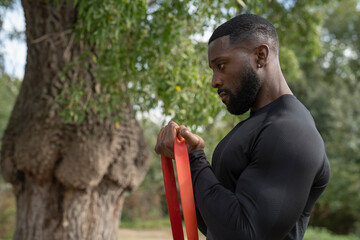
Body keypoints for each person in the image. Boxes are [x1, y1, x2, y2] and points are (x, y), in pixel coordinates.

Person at [155, 14, 330, 240]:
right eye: (213, 70)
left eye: (221, 65)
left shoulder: (291, 130)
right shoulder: (252, 128)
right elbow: (214, 224)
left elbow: (247, 233)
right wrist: (187, 161)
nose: (214, 81)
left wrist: (195, 160)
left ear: (261, 55)